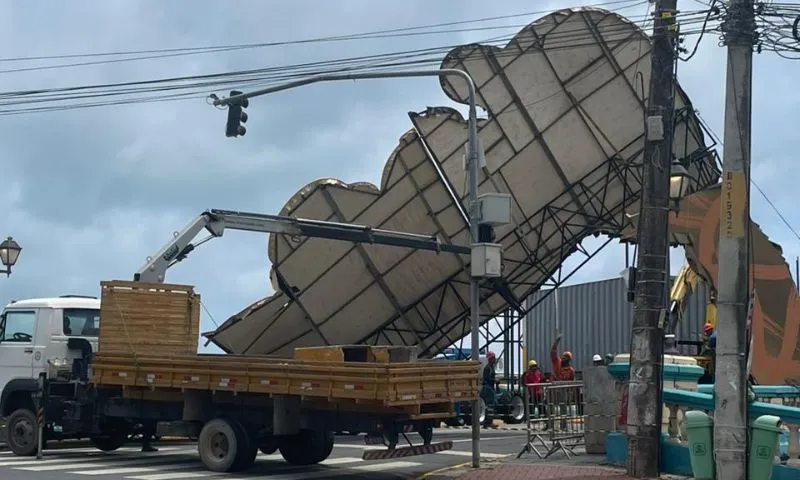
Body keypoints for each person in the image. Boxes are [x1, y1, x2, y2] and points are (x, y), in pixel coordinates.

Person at [480, 351, 498, 428]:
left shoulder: (491, 367)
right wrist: (495, 380)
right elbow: (487, 378)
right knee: (490, 405)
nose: (494, 360)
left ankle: (488, 422)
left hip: (489, 387)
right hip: (487, 388)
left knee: (490, 406)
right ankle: (488, 422)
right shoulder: (488, 368)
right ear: (490, 359)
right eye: (493, 358)